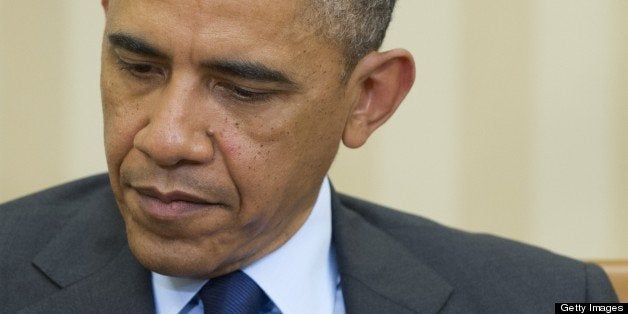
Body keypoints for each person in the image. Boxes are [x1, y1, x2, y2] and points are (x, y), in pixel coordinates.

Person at [0, 0, 618, 313]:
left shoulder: (554, 297)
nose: (165, 139)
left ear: (368, 100)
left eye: (243, 89)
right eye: (138, 66)